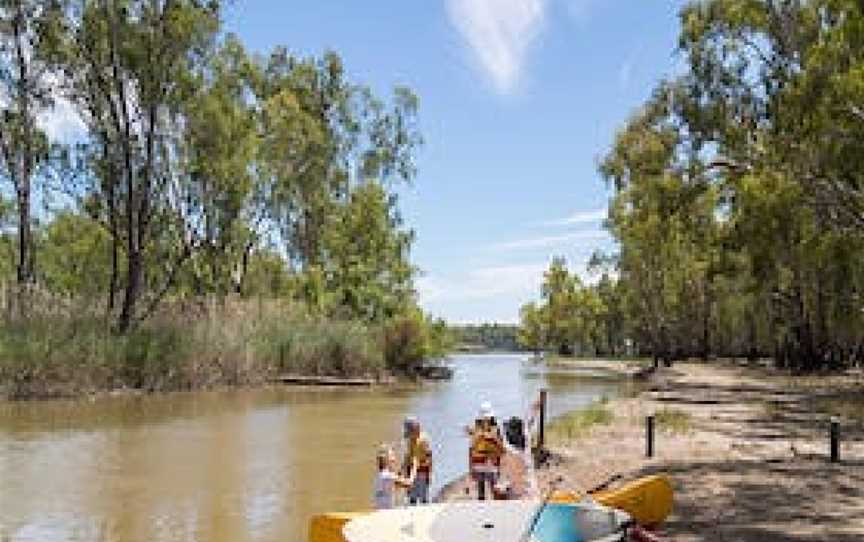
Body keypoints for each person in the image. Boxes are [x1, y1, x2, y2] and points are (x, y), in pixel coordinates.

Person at [466, 401, 504, 500]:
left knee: (494, 488)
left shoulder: (495, 430)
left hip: (491, 462)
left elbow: (501, 449)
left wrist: (492, 438)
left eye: (488, 418)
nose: (486, 420)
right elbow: (471, 448)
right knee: (481, 490)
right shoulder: (476, 430)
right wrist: (471, 467)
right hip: (479, 463)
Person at [401, 415, 433, 505]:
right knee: (412, 498)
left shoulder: (423, 440)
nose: (410, 435)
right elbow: (408, 455)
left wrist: (429, 474)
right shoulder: (410, 439)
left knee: (423, 497)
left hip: (421, 472)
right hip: (411, 471)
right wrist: (402, 469)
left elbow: (429, 457)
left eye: (411, 430)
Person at [374, 444, 415, 509]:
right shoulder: (388, 477)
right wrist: (414, 468)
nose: (394, 461)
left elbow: (398, 477)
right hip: (387, 513)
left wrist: (404, 465)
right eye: (392, 460)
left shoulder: (379, 476)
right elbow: (409, 483)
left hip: (380, 511)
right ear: (386, 462)